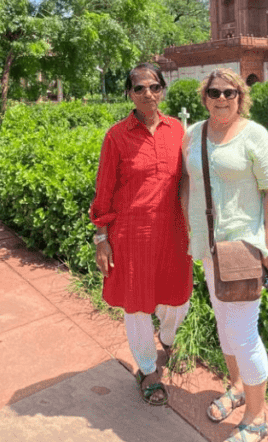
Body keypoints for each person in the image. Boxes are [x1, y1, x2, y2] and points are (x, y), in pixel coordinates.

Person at [182, 68, 268, 442]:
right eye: (215, 92)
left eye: (230, 92)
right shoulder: (193, 134)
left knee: (243, 334)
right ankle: (238, 387)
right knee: (224, 323)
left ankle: (257, 420)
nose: (222, 98)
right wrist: (187, 225)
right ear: (205, 96)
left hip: (243, 248)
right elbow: (186, 181)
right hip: (209, 249)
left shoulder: (254, 135)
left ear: (240, 96)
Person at [89, 63, 193, 406]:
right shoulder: (117, 136)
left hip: (173, 232)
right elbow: (104, 190)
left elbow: (189, 179)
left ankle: (167, 336)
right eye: (139, 88)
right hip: (131, 235)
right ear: (129, 94)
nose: (147, 93)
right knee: (136, 306)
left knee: (177, 298)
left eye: (154, 87)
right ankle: (147, 368)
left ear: (162, 90)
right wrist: (101, 239)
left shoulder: (178, 130)